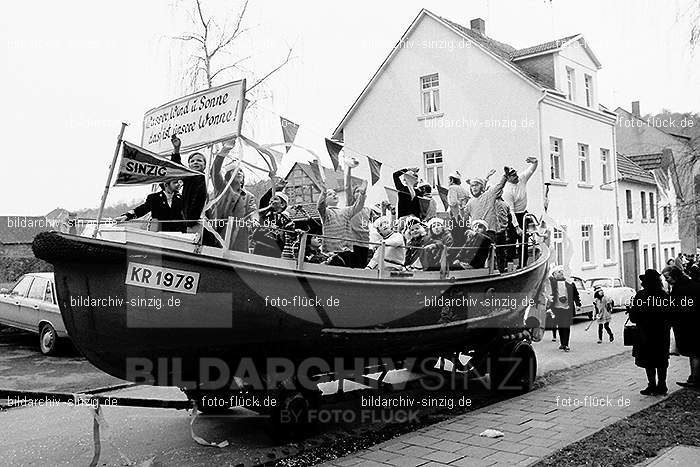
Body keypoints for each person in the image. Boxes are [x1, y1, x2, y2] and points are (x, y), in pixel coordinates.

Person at [628, 269, 671, 395]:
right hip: (661, 333)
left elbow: (634, 317)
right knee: (661, 359)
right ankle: (662, 385)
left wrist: (631, 310)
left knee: (648, 360)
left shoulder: (641, 295)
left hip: (645, 333)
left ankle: (652, 385)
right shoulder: (664, 296)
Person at [207, 144, 257, 252]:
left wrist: (254, 221)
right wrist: (224, 151)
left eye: (240, 171)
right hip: (219, 231)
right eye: (234, 170)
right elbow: (214, 171)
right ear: (228, 175)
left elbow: (253, 211)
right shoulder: (221, 187)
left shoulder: (249, 196)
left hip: (240, 236)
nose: (238, 173)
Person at [662, 266, 700, 388]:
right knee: (694, 352)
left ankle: (695, 378)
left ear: (674, 275)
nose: (666, 280)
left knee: (694, 352)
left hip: (687, 325)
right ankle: (694, 377)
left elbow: (676, 308)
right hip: (692, 323)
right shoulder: (691, 284)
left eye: (667, 277)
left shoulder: (680, 288)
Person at [318, 184, 367, 267]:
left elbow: (357, 207)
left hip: (345, 251)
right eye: (329, 194)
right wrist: (323, 192)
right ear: (325, 201)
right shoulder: (326, 212)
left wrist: (362, 195)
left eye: (335, 193)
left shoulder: (346, 211)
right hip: (331, 252)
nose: (334, 195)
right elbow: (320, 206)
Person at [502, 157, 539, 264]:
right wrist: (517, 227)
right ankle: (509, 265)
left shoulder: (521, 179)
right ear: (508, 178)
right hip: (512, 217)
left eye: (516, 174)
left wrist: (535, 162)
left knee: (524, 241)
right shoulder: (507, 191)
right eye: (513, 176)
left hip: (523, 215)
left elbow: (531, 170)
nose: (516, 176)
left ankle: (523, 264)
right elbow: (511, 211)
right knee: (511, 242)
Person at [170, 135, 208, 235]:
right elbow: (176, 165)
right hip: (187, 220)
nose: (195, 162)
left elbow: (198, 200)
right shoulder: (188, 176)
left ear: (204, 165)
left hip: (198, 220)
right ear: (189, 165)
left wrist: (191, 220)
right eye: (192, 161)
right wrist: (176, 149)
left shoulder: (205, 179)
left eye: (199, 160)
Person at [117, 180, 186, 233]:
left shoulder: (181, 198)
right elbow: (143, 208)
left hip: (178, 232)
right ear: (166, 185)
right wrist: (128, 216)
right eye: (175, 182)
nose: (178, 184)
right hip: (160, 232)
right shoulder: (154, 197)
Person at [463, 170, 509, 242]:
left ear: (481, 186)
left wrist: (505, 176)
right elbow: (464, 217)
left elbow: (499, 186)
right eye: (472, 186)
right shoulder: (469, 202)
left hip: (489, 232)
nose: (474, 188)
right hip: (475, 233)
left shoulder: (489, 195)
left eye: (476, 185)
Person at [548, 266, 580, 352]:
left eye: (562, 271)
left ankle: (566, 344)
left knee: (566, 326)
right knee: (560, 326)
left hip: (567, 308)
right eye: (558, 272)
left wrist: (578, 304)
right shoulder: (552, 283)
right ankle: (562, 343)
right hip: (557, 309)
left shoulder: (569, 283)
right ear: (554, 274)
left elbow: (575, 295)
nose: (561, 273)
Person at [254, 191, 294, 258]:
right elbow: (263, 202)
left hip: (276, 250)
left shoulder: (286, 219)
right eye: (270, 200)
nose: (271, 201)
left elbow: (292, 234)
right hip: (260, 247)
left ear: (282, 204)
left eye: (275, 199)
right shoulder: (265, 214)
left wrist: (297, 231)